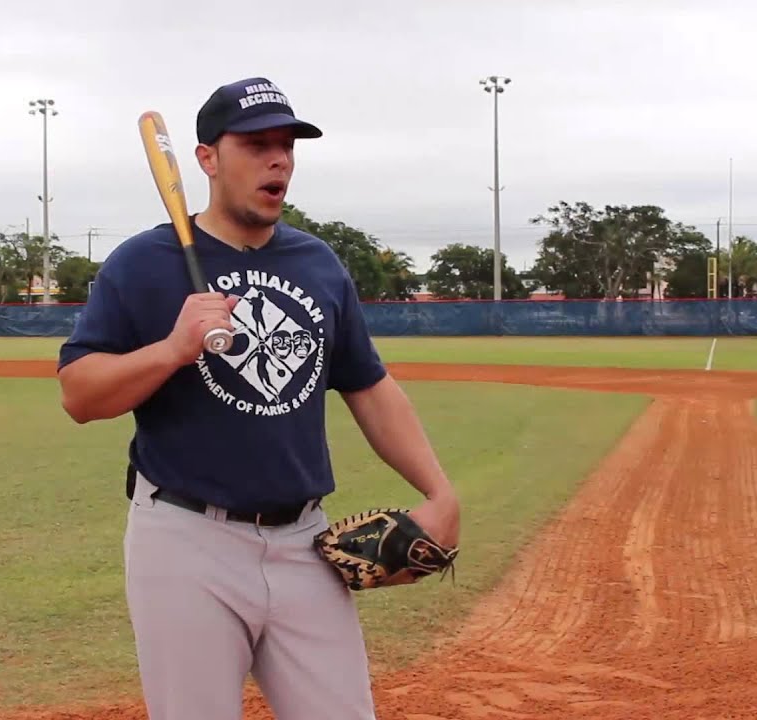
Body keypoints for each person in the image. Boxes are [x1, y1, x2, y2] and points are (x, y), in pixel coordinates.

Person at [56, 76, 460, 720]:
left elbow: (367, 384)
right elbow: (79, 395)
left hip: (305, 541)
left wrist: (441, 492)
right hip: (187, 541)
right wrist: (171, 349)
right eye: (257, 145)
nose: (279, 160)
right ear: (207, 159)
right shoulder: (141, 263)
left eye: (287, 146)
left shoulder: (318, 263)